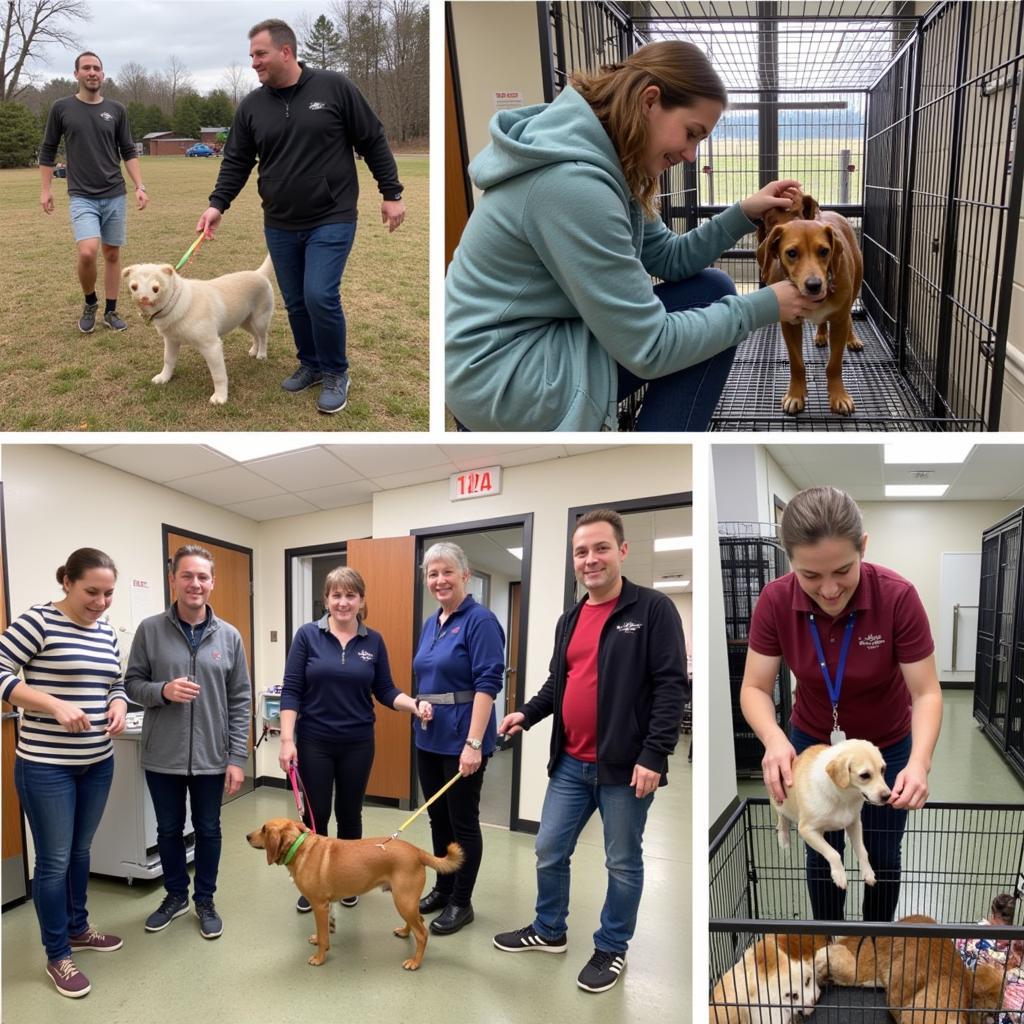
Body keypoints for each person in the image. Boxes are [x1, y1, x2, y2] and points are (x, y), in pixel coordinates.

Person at [445, 40, 818, 432]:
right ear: (649, 101)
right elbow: (650, 348)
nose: (691, 155)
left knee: (710, 289)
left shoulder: (606, 160)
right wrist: (763, 306)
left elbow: (672, 259)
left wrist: (744, 212)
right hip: (502, 380)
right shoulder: (573, 185)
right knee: (715, 309)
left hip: (526, 347)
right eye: (691, 134)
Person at [493, 509, 687, 994]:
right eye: (581, 552)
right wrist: (527, 714)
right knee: (548, 849)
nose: (590, 559)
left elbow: (670, 687)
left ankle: (612, 946)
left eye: (600, 548)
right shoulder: (571, 618)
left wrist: (654, 755)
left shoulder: (652, 610)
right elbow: (561, 683)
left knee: (622, 861)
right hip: (570, 764)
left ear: (622, 551)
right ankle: (549, 930)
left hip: (626, 769)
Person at [739, 485, 943, 922]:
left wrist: (920, 763)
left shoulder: (897, 597)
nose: (829, 590)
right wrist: (774, 740)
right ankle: (830, 945)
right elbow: (755, 687)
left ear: (863, 547)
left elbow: (925, 692)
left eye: (843, 571)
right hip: (812, 742)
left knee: (883, 854)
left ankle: (874, 947)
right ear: (789, 559)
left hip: (885, 745)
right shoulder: (775, 601)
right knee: (822, 847)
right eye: (810, 576)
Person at [196, 18, 406, 415]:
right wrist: (216, 204)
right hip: (279, 220)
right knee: (295, 302)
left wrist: (391, 192)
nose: (254, 63)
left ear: (286, 51)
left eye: (260, 54)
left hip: (332, 214)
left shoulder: (334, 87)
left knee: (320, 295)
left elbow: (372, 138)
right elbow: (237, 161)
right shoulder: (251, 107)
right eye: (252, 56)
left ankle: (335, 372)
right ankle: (309, 362)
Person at [0, 548, 127, 999]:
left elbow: (116, 680)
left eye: (108, 593)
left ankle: (78, 929)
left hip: (97, 760)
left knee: (80, 852)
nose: (100, 601)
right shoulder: (38, 622)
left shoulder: (107, 632)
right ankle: (58, 955)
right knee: (53, 861)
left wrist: (117, 703)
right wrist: (51, 704)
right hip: (46, 765)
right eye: (92, 591)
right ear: (67, 582)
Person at [278, 566, 427, 912]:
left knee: (350, 812)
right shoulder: (307, 636)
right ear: (326, 599)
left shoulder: (372, 641)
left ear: (361, 600)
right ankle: (312, 882)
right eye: (336, 595)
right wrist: (287, 740)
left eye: (350, 595)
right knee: (316, 815)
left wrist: (415, 705)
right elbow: (292, 691)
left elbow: (386, 689)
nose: (343, 602)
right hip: (314, 740)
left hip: (358, 742)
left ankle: (347, 879)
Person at [124, 545, 251, 941]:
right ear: (173, 579)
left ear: (212, 583)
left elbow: (241, 699)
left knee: (209, 830)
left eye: (203, 577)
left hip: (212, 758)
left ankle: (205, 900)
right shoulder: (150, 630)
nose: (195, 584)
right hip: (163, 755)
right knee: (168, 830)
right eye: (187, 576)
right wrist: (163, 690)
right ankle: (175, 895)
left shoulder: (229, 636)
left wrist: (236, 757)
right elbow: (131, 685)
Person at [411, 542, 505, 936]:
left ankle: (462, 902)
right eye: (432, 574)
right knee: (437, 818)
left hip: (462, 738)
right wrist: (420, 704)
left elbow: (488, 683)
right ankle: (444, 885)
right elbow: (429, 676)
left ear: (465, 575)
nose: (439, 580)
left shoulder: (480, 621)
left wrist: (474, 744)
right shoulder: (432, 622)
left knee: (463, 822)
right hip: (429, 736)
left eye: (447, 571)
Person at [38, 50, 149, 335]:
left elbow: (127, 150)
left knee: (112, 254)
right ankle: (90, 303)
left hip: (114, 192)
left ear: (103, 74)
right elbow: (48, 149)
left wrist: (139, 186)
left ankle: (111, 311)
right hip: (81, 195)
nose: (92, 72)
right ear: (76, 74)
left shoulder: (116, 110)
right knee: (88, 252)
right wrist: (46, 189)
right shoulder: (61, 108)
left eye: (96, 68)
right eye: (86, 68)